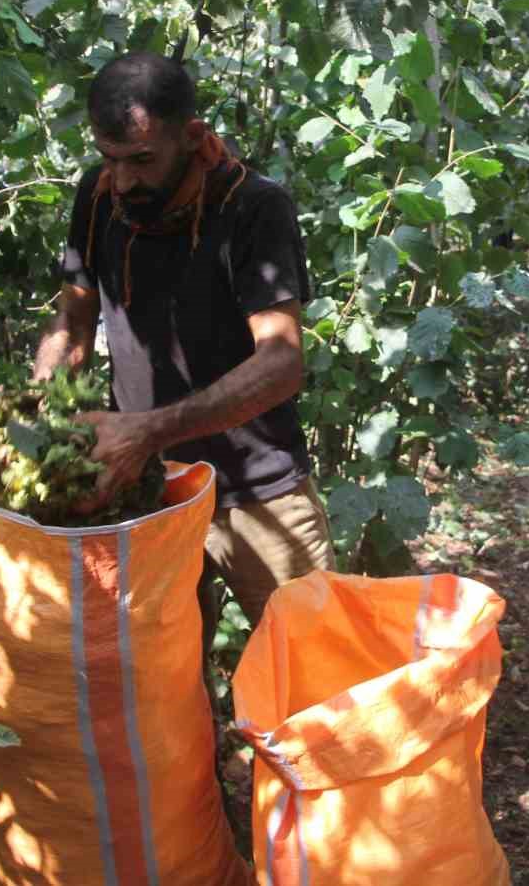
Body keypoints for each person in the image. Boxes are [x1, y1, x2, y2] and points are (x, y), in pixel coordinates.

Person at [31, 52, 334, 653]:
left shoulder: (251, 207)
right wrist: (45, 394)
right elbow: (74, 314)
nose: (123, 181)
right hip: (149, 491)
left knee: (314, 668)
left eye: (142, 160)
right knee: (155, 681)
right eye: (109, 160)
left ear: (192, 136)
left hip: (257, 491)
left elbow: (281, 363)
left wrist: (145, 431)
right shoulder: (98, 197)